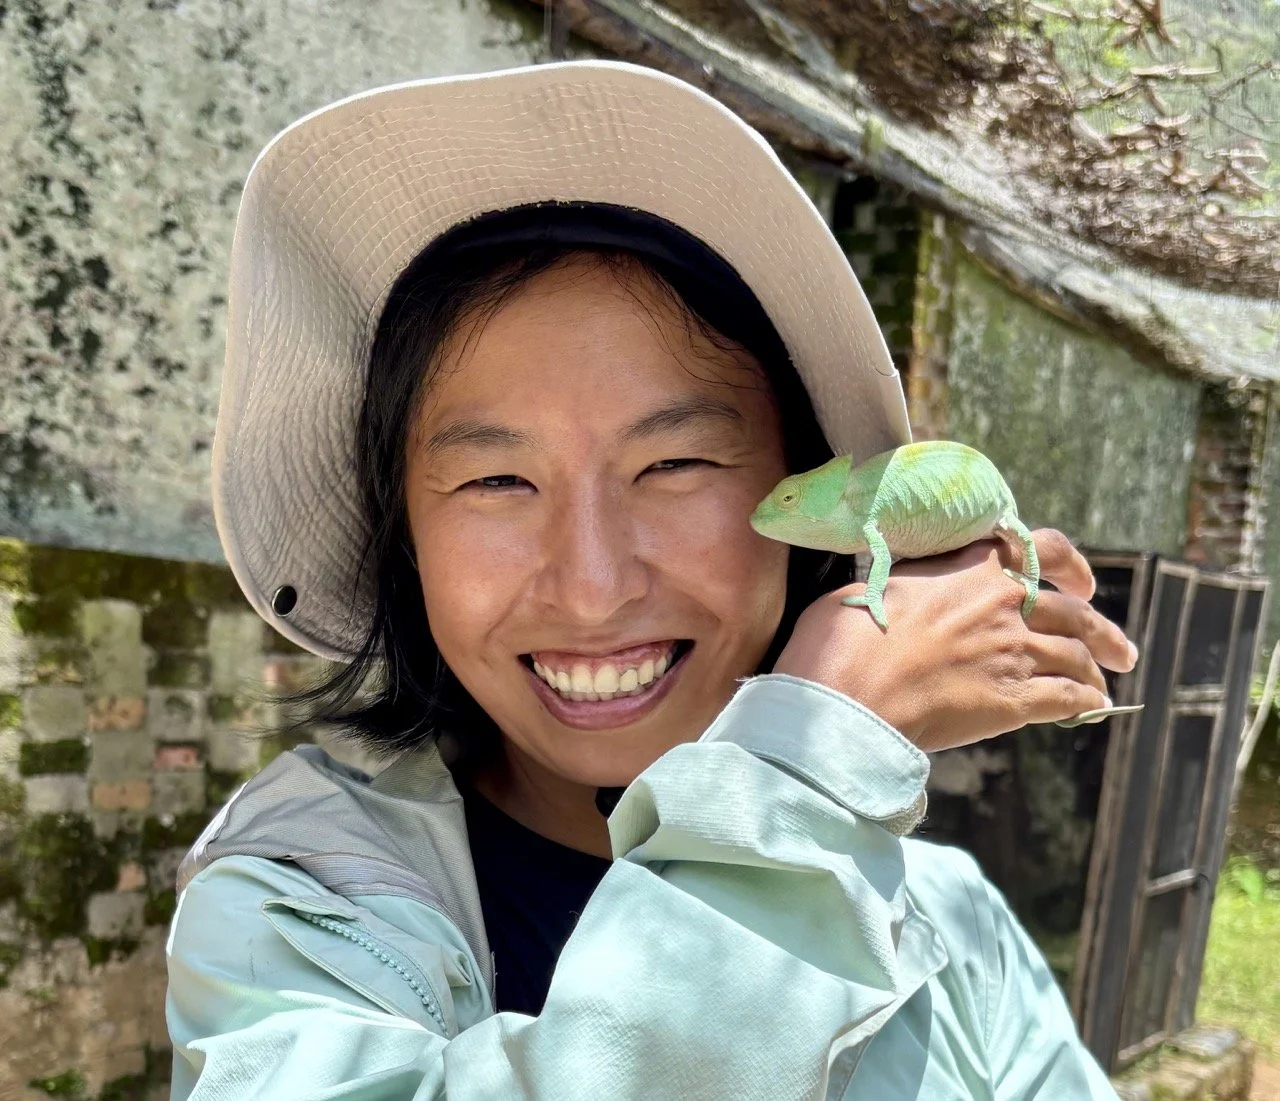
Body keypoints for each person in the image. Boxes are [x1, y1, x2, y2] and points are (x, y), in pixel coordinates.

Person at [165, 60, 1137, 1099]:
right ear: (400, 532)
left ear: (799, 493)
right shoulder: (292, 908)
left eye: (674, 465)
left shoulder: (952, 924)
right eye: (496, 478)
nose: (590, 589)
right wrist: (805, 770)